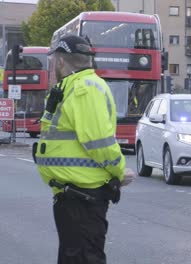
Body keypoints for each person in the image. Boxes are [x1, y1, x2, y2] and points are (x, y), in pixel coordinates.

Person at [34, 35, 135, 264]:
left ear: (60, 62)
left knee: (84, 257)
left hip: (83, 195)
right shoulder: (73, 86)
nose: (52, 67)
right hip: (73, 194)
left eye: (53, 62)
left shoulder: (85, 89)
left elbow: (98, 141)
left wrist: (120, 171)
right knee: (74, 255)